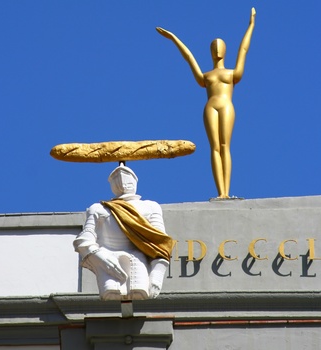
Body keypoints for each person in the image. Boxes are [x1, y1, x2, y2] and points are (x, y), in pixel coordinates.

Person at [156, 8, 256, 199]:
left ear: (225, 50)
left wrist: (251, 25)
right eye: (214, 47)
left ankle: (226, 193)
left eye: (220, 46)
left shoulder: (232, 73)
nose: (217, 49)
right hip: (210, 107)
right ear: (210, 52)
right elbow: (189, 58)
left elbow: (243, 49)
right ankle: (220, 193)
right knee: (215, 148)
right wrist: (174, 38)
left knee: (226, 146)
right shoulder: (205, 76)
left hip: (226, 106)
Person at [73, 164, 172, 300]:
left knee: (139, 291)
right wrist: (101, 258)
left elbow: (160, 244)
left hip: (138, 259)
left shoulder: (150, 207)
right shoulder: (98, 209)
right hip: (107, 258)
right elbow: (84, 241)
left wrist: (157, 274)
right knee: (111, 292)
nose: (122, 181)